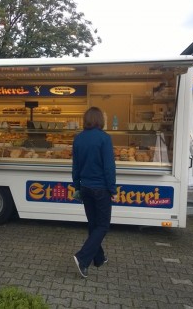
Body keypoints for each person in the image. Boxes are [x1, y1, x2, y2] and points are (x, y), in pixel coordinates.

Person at [72, 107, 117, 278]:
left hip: (85, 188)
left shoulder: (78, 138)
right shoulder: (104, 138)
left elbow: (75, 166)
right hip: (101, 189)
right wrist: (112, 189)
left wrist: (77, 186)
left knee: (93, 224)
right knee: (103, 225)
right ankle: (82, 258)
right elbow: (109, 167)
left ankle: (98, 258)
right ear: (100, 120)